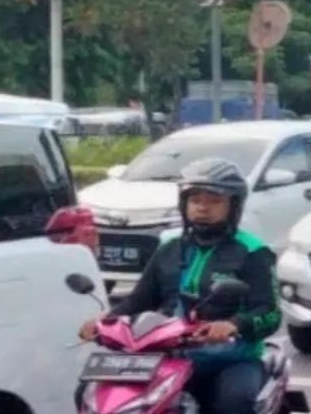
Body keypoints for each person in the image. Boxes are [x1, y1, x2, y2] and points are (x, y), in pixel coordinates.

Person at [78, 158, 280, 414]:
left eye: (214, 201)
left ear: (234, 205)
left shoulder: (252, 252)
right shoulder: (169, 247)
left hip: (229, 358)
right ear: (184, 205)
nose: (203, 208)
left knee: (233, 403)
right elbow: (139, 300)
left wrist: (233, 325)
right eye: (195, 200)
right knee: (92, 393)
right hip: (164, 353)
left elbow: (270, 313)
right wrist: (104, 321)